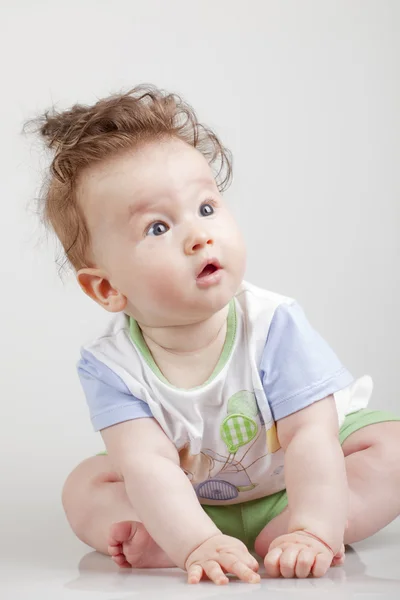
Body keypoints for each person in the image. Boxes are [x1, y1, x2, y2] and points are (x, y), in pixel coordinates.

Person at [27, 85, 400, 584]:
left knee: (391, 447)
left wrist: (314, 522)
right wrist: (195, 541)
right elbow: (148, 466)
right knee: (85, 487)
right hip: (192, 502)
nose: (199, 235)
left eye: (206, 208)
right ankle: (173, 535)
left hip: (298, 482)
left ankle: (311, 528)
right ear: (106, 287)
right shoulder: (112, 367)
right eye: (158, 228)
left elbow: (311, 437)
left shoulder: (272, 324)